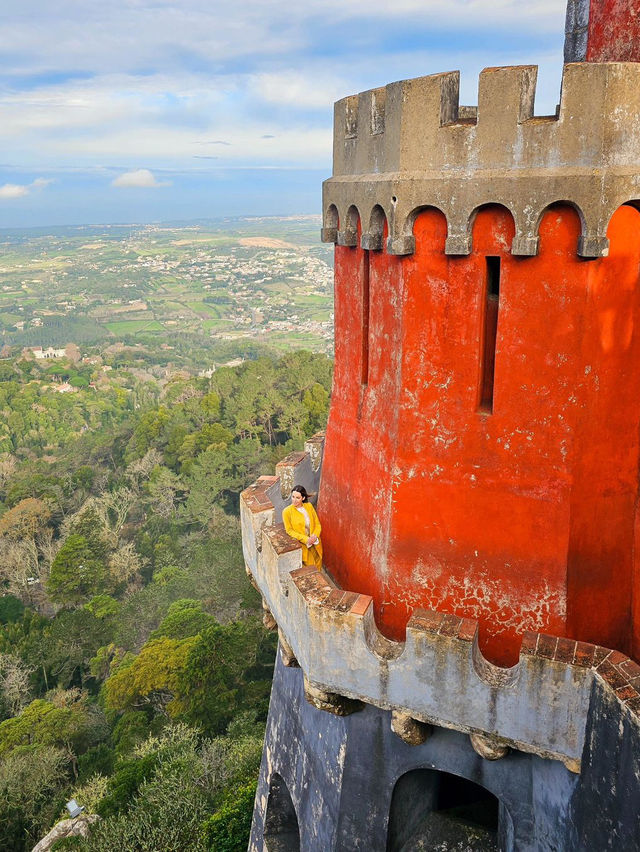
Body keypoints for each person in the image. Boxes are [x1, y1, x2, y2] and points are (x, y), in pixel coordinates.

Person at [282, 484, 323, 568]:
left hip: (315, 542)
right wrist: (306, 539)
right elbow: (289, 530)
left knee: (318, 563)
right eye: (293, 497)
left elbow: (317, 524)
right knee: (311, 569)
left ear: (303, 498)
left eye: (298, 498)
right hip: (304, 545)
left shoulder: (309, 506)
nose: (294, 500)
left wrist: (315, 535)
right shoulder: (287, 512)